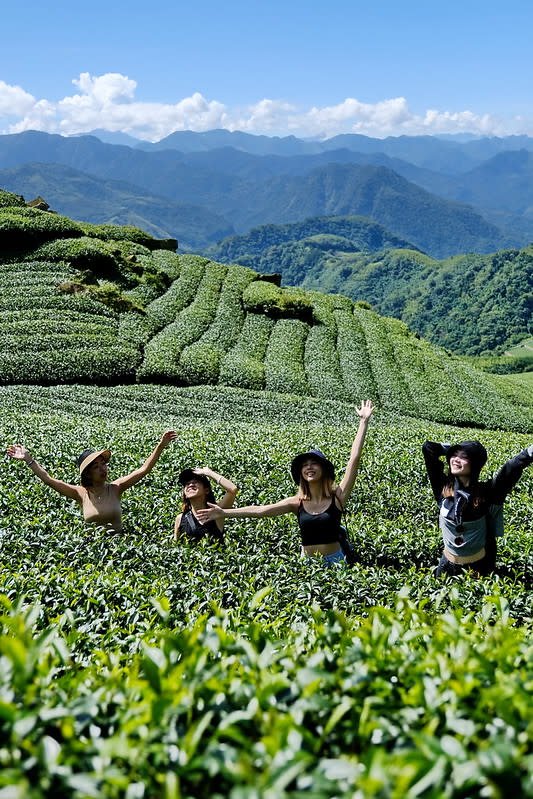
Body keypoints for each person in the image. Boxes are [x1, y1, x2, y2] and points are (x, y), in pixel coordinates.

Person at [197, 400, 375, 564]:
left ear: (324, 470)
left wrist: (363, 422)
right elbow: (262, 511)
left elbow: (354, 459)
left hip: (335, 561)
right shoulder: (296, 503)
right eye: (304, 465)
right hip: (308, 564)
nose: (309, 467)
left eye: (314, 463)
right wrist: (224, 513)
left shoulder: (337, 497)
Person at [6, 431, 177, 533]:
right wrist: (29, 459)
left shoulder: (116, 488)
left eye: (103, 463)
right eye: (96, 466)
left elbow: (143, 470)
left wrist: (160, 446)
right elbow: (49, 480)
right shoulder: (81, 493)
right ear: (87, 474)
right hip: (94, 551)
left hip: (120, 551)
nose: (102, 468)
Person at [422, 439, 533, 577]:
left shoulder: (488, 493)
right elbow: (428, 448)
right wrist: (449, 449)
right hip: (446, 565)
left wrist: (529, 453)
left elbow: (511, 468)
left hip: (478, 566)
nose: (456, 460)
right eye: (454, 455)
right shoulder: (443, 488)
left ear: (475, 464)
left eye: (464, 457)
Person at [173, 467, 238, 545]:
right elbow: (175, 546)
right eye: (187, 484)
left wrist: (209, 473)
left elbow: (233, 490)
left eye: (195, 482)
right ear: (185, 494)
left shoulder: (217, 512)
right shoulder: (180, 519)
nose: (190, 485)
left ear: (206, 490)